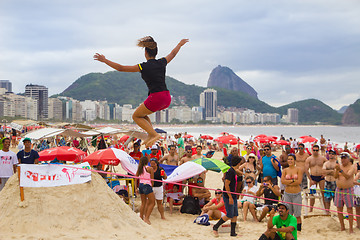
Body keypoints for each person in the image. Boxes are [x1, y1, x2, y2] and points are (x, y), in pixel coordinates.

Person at [94, 37, 189, 148]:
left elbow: (121, 68)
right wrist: (179, 44)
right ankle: (150, 134)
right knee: (142, 115)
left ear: (146, 53)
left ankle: (154, 134)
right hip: (167, 97)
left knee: (136, 116)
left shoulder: (143, 66)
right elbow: (172, 54)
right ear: (155, 52)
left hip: (156, 97)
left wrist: (105, 60)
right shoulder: (162, 62)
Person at [212, 156, 242, 237]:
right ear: (238, 163)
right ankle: (215, 227)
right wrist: (230, 197)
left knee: (235, 214)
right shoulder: (230, 171)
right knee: (229, 214)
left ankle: (232, 233)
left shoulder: (233, 170)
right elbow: (226, 184)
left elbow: (238, 171)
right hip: (229, 196)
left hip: (234, 195)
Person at [334, 152, 357, 233]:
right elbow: (335, 176)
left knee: (349, 209)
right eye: (342, 158)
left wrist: (340, 170)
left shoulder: (351, 167)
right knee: (339, 209)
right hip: (339, 189)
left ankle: (351, 228)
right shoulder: (339, 166)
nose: (343, 159)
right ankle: (342, 227)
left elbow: (347, 176)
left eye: (344, 158)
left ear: (348, 158)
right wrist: (337, 170)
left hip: (348, 190)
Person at [280, 154, 303, 232]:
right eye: (289, 159)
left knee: (297, 214)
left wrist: (288, 182)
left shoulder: (298, 169)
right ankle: (289, 229)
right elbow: (282, 181)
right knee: (288, 213)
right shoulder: (285, 170)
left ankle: (299, 230)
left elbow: (299, 181)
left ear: (294, 160)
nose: (290, 161)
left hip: (296, 193)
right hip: (287, 194)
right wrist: (293, 181)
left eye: (291, 159)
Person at [305, 145, 327, 212]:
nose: (315, 151)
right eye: (314, 150)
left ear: (319, 150)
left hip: (321, 177)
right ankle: (311, 209)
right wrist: (310, 179)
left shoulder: (322, 158)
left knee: (323, 192)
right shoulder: (309, 159)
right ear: (312, 150)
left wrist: (325, 173)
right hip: (313, 177)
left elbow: (328, 165)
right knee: (312, 193)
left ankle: (325, 208)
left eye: (316, 150)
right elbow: (306, 170)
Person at [135, 156, 155, 225]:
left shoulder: (140, 169)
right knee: (152, 202)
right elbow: (152, 181)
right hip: (147, 185)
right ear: (147, 161)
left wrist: (136, 188)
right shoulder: (150, 169)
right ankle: (146, 218)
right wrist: (151, 187)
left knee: (143, 203)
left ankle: (141, 217)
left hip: (141, 185)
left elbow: (135, 178)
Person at [322, 149, 337, 214]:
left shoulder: (337, 163)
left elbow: (336, 173)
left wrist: (327, 171)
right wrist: (331, 171)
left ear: (335, 155)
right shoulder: (326, 163)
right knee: (327, 198)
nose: (331, 155)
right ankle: (327, 211)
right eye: (330, 153)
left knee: (336, 198)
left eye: (332, 154)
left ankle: (337, 212)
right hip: (327, 181)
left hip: (335, 181)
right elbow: (323, 171)